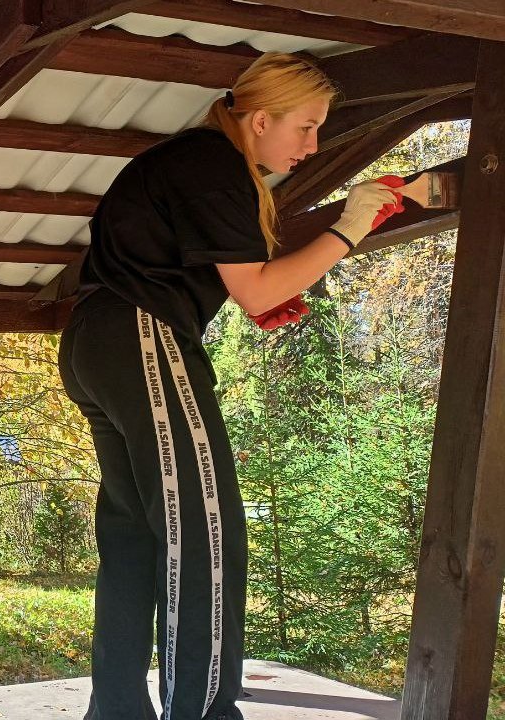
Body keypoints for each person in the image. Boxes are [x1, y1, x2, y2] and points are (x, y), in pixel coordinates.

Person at [56, 53, 403, 719]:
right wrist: (351, 224)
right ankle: (205, 711)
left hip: (97, 341)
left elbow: (235, 281)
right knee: (206, 532)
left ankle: (117, 712)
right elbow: (255, 288)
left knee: (135, 536)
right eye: (306, 126)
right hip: (139, 336)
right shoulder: (214, 163)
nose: (313, 144)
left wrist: (264, 294)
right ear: (262, 119)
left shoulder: (196, 166)